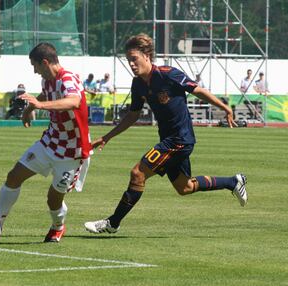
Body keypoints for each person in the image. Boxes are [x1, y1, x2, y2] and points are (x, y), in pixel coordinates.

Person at [84, 33, 247, 234]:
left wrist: (225, 107)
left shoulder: (168, 74)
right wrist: (107, 137)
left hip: (179, 140)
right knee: (184, 187)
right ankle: (233, 181)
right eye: (128, 61)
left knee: (138, 173)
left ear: (146, 56)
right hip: (170, 140)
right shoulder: (138, 84)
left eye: (134, 59)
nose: (131, 64)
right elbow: (132, 115)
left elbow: (197, 90)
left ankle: (113, 223)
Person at [0, 42, 92, 243]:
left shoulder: (68, 78)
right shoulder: (47, 81)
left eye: (35, 66)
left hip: (72, 151)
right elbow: (45, 94)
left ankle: (58, 225)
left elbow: (73, 101)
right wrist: (30, 110)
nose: (35, 71)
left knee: (53, 200)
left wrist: (40, 105)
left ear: (45, 63)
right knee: (13, 176)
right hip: (49, 142)